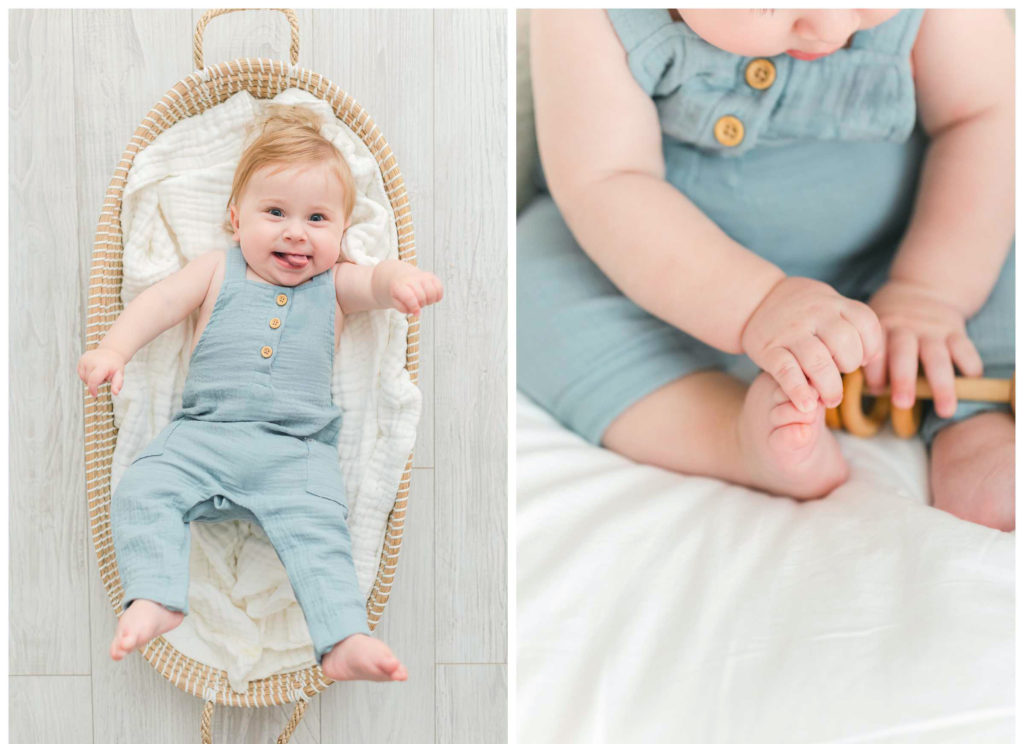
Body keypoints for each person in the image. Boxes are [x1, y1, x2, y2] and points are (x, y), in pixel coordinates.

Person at [519, 10, 1014, 530]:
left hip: (909, 246)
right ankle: (730, 431)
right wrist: (757, 303)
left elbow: (988, 117)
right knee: (530, 283)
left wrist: (930, 293)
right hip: (680, 275)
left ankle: (975, 418)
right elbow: (609, 182)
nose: (829, 27)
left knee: (996, 214)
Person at [78, 105, 443, 680]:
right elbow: (158, 304)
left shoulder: (336, 284)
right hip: (202, 436)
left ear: (343, 233)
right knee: (141, 489)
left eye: (318, 218)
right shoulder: (215, 269)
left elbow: (374, 280)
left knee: (323, 533)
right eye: (275, 212)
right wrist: (114, 351)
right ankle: (155, 595)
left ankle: (342, 636)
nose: (296, 231)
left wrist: (398, 280)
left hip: (295, 453)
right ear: (235, 220)